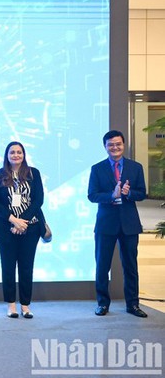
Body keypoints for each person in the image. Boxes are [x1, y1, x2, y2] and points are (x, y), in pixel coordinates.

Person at [88, 130, 148, 318]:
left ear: (124, 145)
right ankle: (102, 304)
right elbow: (92, 195)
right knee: (102, 265)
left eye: (118, 144)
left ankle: (133, 304)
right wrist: (111, 195)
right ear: (105, 147)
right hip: (106, 224)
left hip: (129, 223)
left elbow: (142, 193)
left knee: (130, 265)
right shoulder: (97, 169)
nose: (115, 147)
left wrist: (128, 193)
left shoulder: (135, 167)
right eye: (111, 145)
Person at [0, 141, 47, 319]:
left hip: (31, 228)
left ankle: (25, 305)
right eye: (12, 152)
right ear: (7, 155)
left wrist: (24, 223)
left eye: (19, 152)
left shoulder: (33, 173)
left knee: (26, 267)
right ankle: (11, 305)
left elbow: (38, 200)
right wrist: (14, 221)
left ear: (24, 155)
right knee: (7, 267)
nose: (16, 155)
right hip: (6, 228)